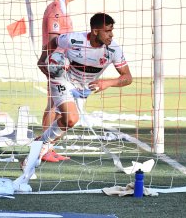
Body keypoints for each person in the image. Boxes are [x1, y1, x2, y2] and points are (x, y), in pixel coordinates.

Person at [25, 12, 132, 169]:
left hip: (83, 89)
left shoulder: (114, 49)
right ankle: (42, 147)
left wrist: (108, 83)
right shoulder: (74, 39)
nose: (111, 34)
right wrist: (42, 60)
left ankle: (41, 144)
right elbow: (54, 41)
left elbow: (127, 77)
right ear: (95, 31)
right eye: (107, 31)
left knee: (65, 122)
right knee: (71, 118)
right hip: (62, 78)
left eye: (112, 30)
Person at [41, 0, 77, 162]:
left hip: (62, 64)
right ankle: (44, 148)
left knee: (57, 105)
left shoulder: (62, 10)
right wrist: (51, 64)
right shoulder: (56, 10)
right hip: (55, 64)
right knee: (53, 104)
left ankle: (49, 146)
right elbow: (54, 41)